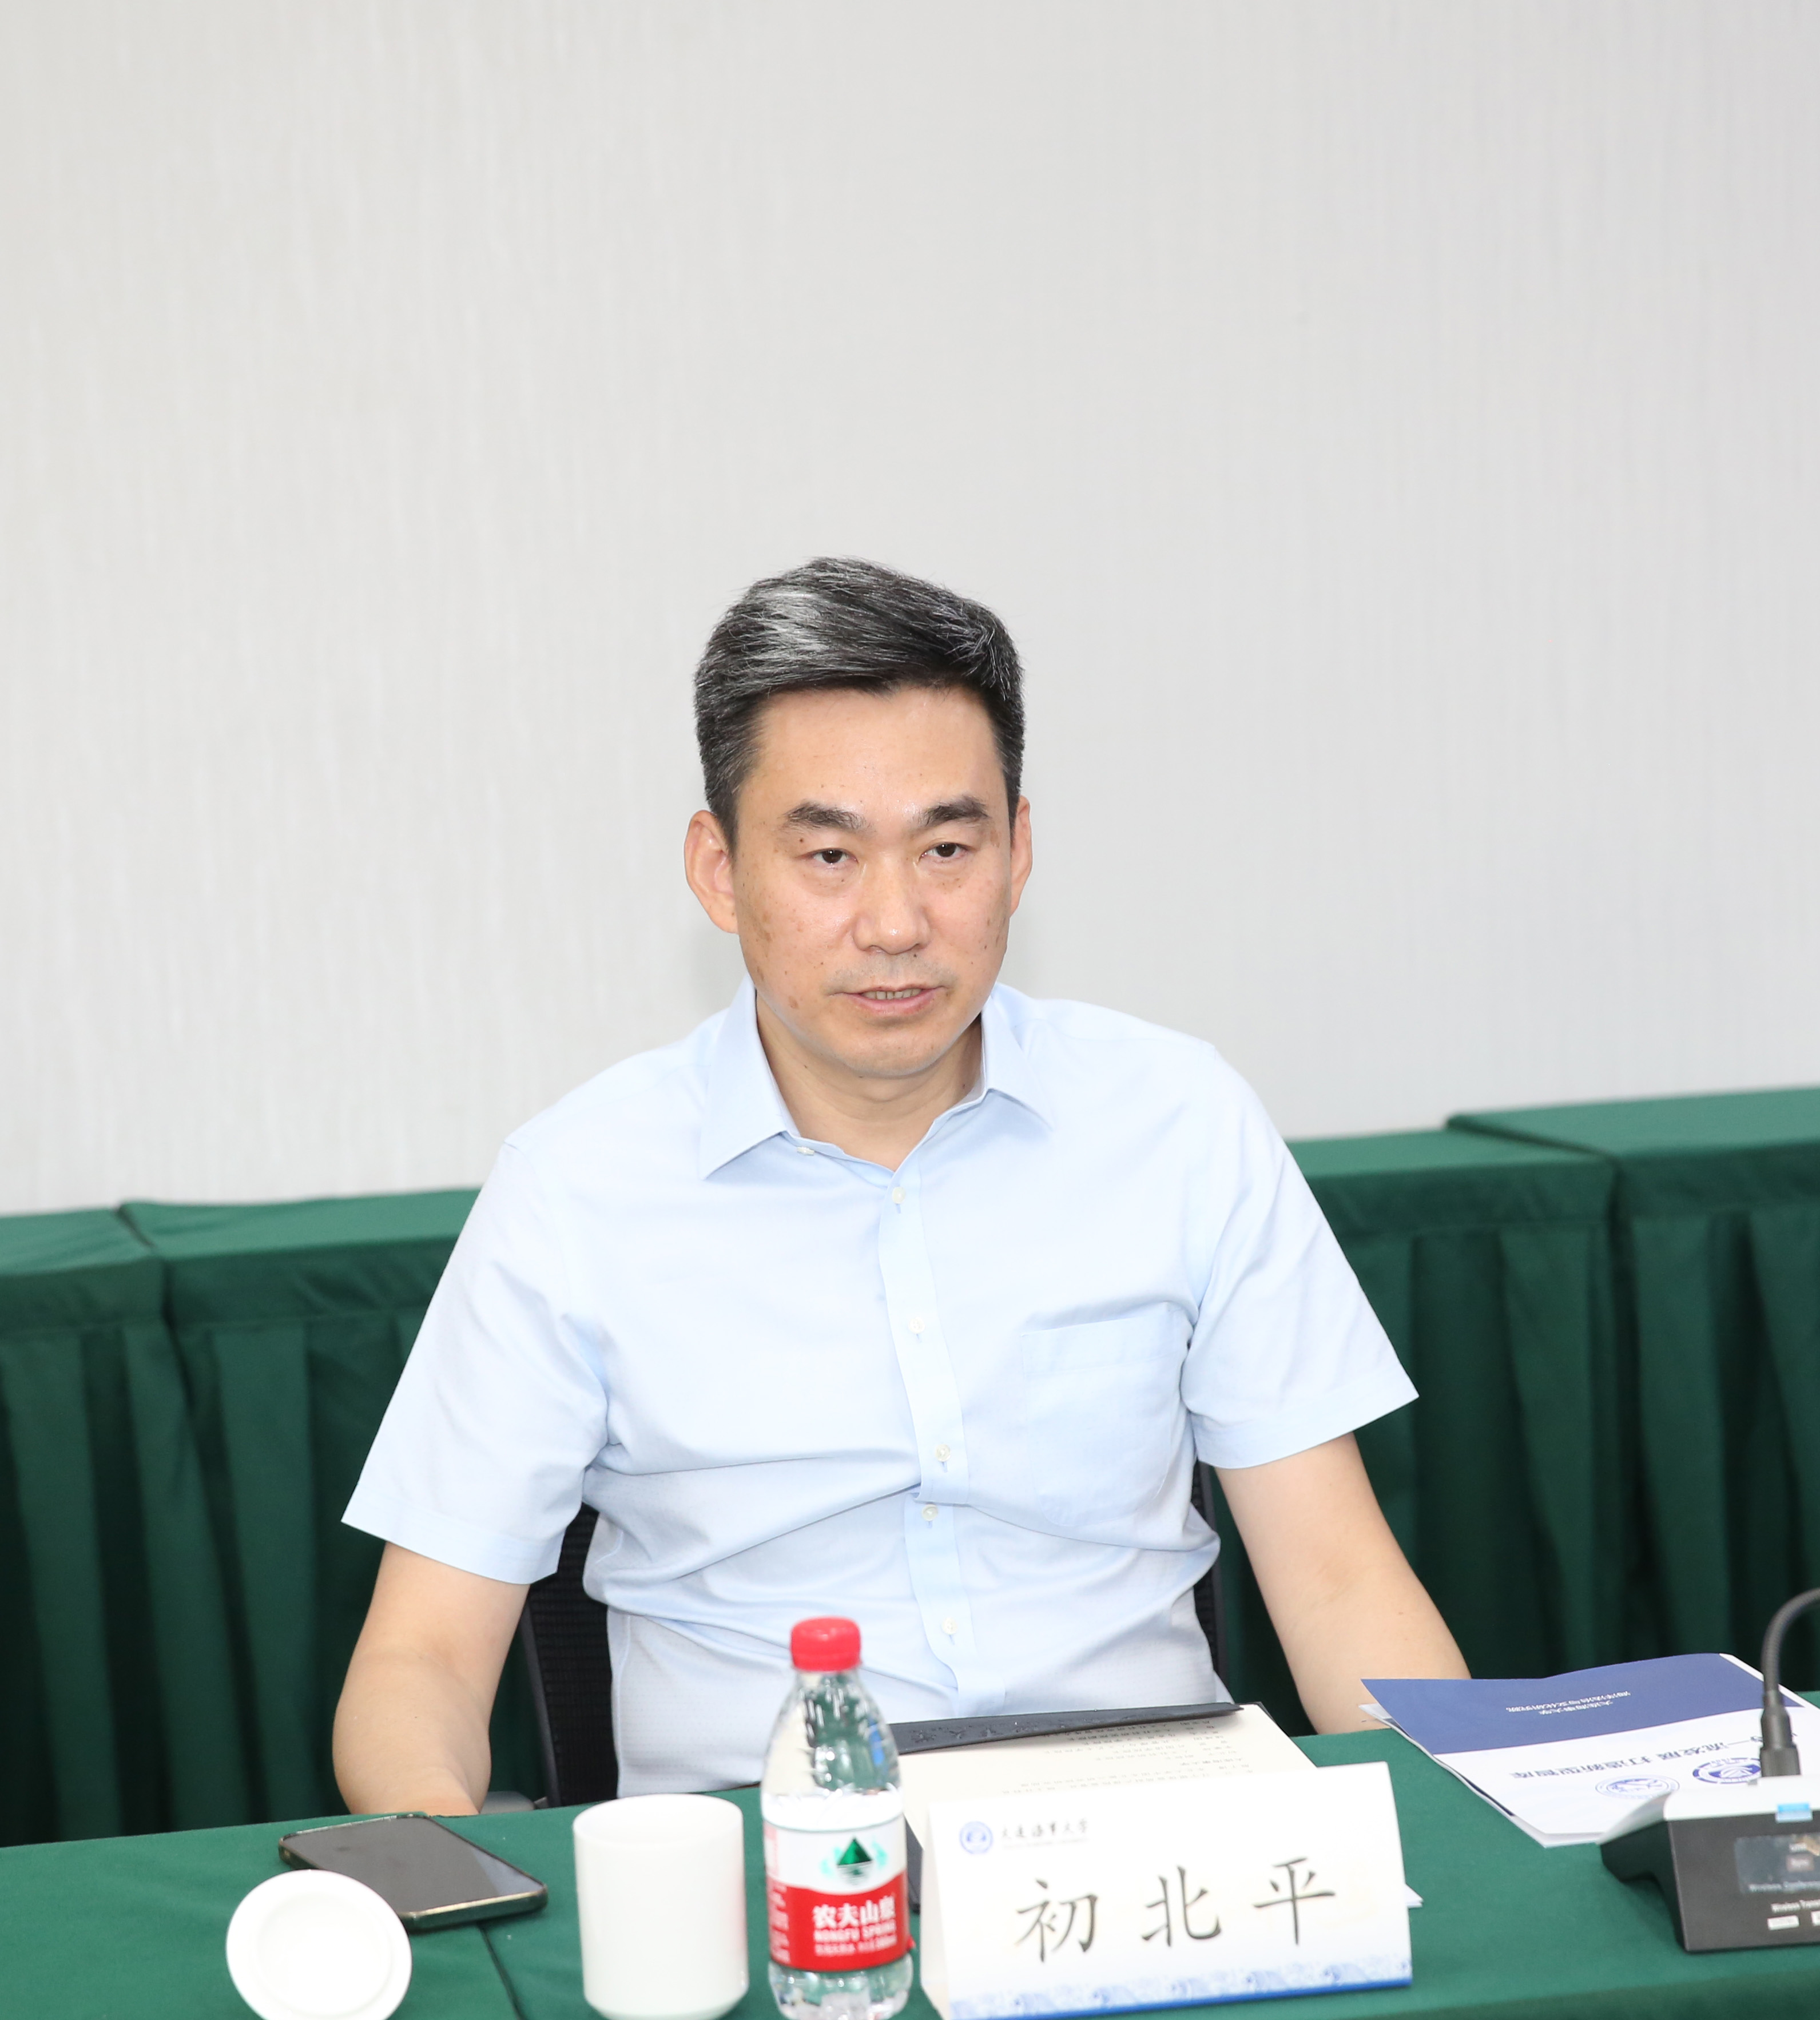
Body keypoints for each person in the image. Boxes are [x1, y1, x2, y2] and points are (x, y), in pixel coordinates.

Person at [333, 557, 1467, 1807]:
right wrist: (446, 1879)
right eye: (829, 854)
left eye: (946, 848)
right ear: (718, 870)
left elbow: (1341, 1582)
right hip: (770, 1859)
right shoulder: (578, 1189)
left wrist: (1456, 1828)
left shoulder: (1178, 1121)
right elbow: (424, 1659)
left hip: (1152, 1843)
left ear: (1018, 852)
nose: (894, 922)